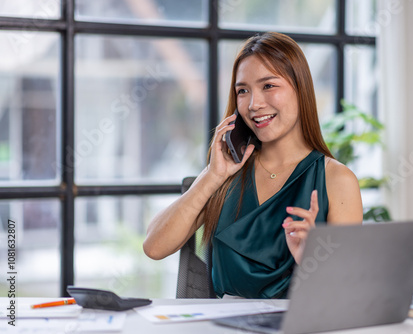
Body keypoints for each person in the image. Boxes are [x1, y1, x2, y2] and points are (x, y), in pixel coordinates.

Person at [143, 31, 363, 299]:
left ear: (300, 88)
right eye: (243, 91)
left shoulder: (337, 180)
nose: (254, 104)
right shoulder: (226, 173)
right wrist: (212, 177)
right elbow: (154, 247)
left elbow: (347, 300)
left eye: (269, 86)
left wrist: (313, 261)